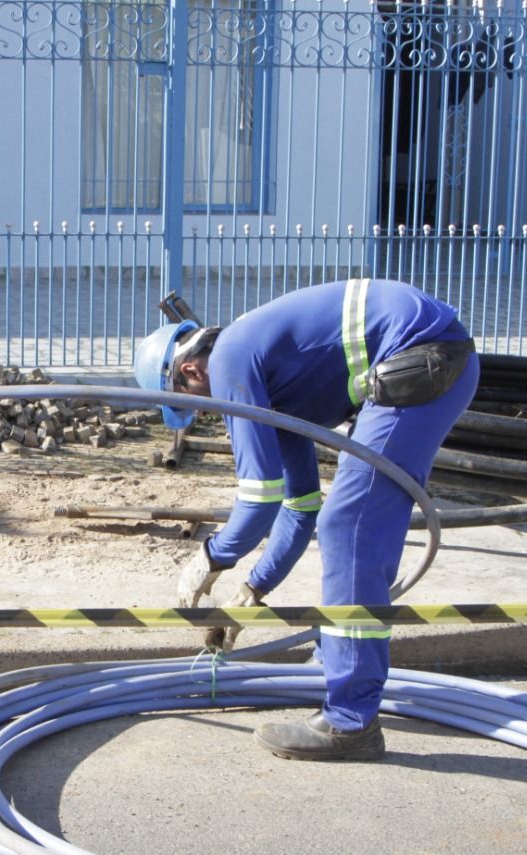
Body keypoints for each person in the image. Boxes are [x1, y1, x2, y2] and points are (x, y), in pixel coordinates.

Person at [134, 279, 479, 762]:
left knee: (351, 523)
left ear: (190, 370)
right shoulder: (275, 383)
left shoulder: (233, 358)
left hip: (420, 353)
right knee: (348, 519)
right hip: (427, 357)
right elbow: (299, 507)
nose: (204, 414)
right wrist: (253, 590)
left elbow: (256, 503)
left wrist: (209, 559)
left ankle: (350, 721)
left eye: (188, 403)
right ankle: (338, 664)